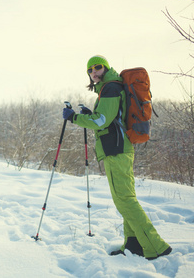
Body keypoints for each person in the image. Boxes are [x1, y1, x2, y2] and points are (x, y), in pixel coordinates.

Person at [62, 55, 172, 260]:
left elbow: (102, 120)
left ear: (106, 68)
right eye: (90, 70)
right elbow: (111, 117)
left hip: (117, 149)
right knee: (126, 199)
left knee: (124, 200)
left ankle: (155, 246)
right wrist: (89, 113)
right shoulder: (111, 87)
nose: (94, 72)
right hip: (121, 148)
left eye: (98, 67)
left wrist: (75, 117)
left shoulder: (111, 87)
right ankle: (133, 245)